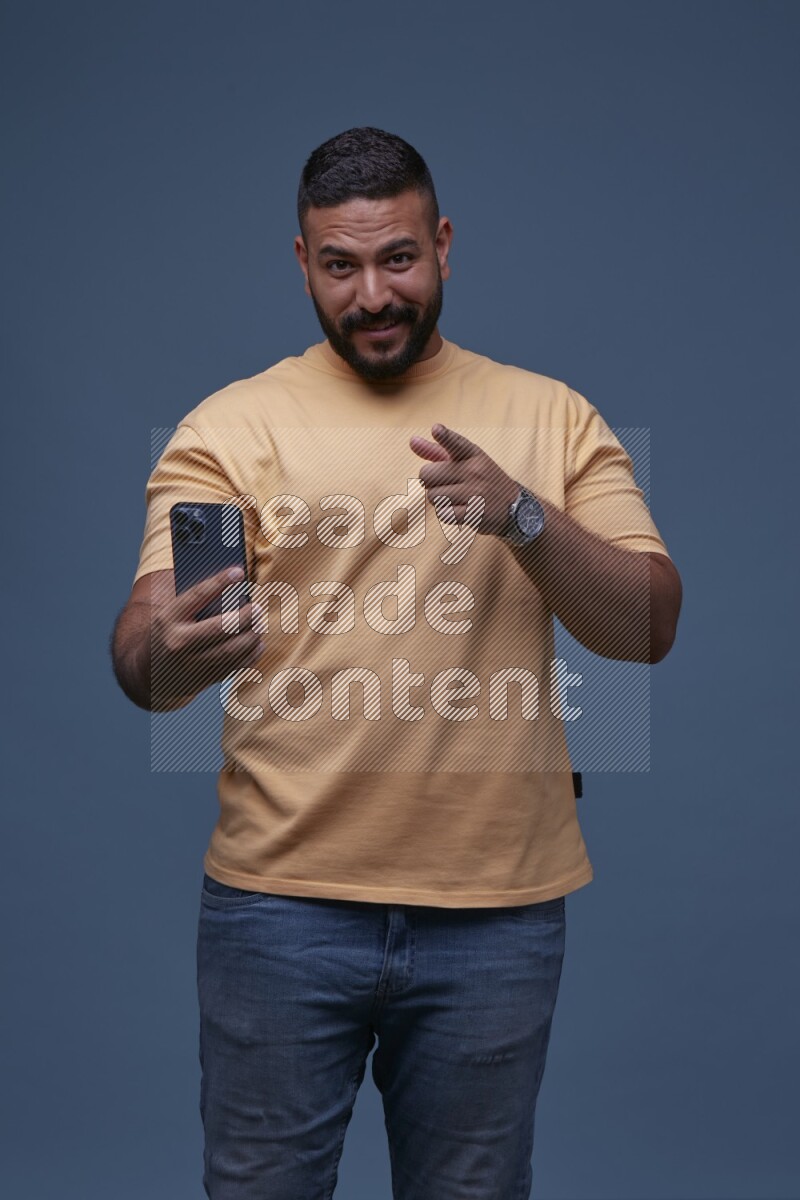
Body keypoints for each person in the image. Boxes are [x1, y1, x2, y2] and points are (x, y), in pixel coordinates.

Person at [111, 126, 682, 1200]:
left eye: (398, 260)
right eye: (340, 266)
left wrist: (520, 516)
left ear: (444, 245)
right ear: (302, 263)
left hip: (496, 917)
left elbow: (646, 625)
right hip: (277, 911)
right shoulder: (230, 429)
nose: (372, 294)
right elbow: (145, 654)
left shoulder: (550, 416)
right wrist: (168, 655)